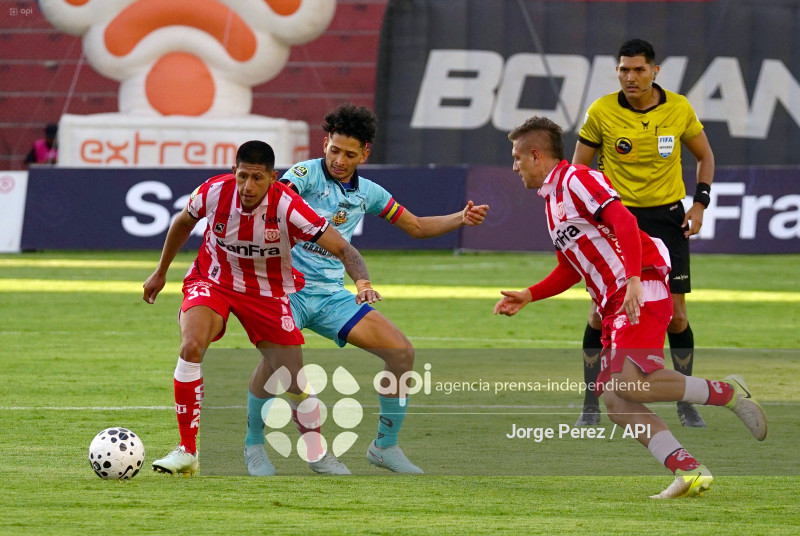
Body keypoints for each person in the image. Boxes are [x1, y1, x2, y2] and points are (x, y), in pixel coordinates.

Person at [494, 116, 765, 498]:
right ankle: (689, 470)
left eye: (518, 157)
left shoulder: (578, 179)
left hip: (639, 285)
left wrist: (635, 279)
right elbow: (570, 268)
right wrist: (529, 295)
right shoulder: (553, 203)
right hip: (614, 299)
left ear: (536, 155)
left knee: (625, 385)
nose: (514, 166)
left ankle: (728, 392)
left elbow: (623, 221)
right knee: (618, 403)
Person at [243, 104, 489, 476]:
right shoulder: (304, 175)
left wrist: (461, 217)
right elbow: (274, 200)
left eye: (350, 154)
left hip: (330, 295)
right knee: (280, 365)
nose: (339, 160)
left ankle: (384, 448)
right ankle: (256, 444)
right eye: (334, 150)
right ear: (325, 143)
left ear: (365, 153)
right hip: (284, 291)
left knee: (402, 355)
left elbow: (418, 227)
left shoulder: (368, 192)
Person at [142, 140, 380, 476]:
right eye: (241, 176)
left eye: (256, 178)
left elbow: (343, 248)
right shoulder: (214, 191)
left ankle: (317, 453)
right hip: (213, 281)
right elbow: (183, 222)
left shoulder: (288, 206)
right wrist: (161, 271)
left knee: (294, 379)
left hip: (266, 293)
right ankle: (188, 450)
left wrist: (362, 283)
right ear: (234, 171)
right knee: (191, 345)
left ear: (273, 178)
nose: (247, 187)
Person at [572, 39, 715, 428]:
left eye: (638, 70)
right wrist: (591, 219)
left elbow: (705, 155)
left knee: (677, 318)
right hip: (619, 222)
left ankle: (685, 402)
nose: (630, 77)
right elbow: (578, 171)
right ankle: (591, 402)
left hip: (667, 222)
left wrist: (699, 204)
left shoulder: (679, 107)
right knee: (601, 315)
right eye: (623, 70)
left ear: (654, 71)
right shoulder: (601, 111)